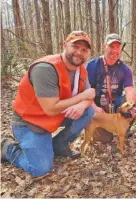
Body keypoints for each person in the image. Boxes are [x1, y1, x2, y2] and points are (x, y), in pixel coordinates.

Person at [1, 31, 96, 177]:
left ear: (88, 53)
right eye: (75, 46)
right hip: (29, 122)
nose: (79, 52)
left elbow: (91, 95)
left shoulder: (80, 69)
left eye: (84, 50)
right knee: (41, 169)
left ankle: (58, 145)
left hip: (53, 117)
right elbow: (51, 109)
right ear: (64, 45)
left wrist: (82, 105)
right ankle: (7, 147)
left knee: (88, 111)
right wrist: (83, 97)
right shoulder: (46, 68)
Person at [86, 33, 136, 143]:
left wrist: (131, 107)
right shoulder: (92, 65)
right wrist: (95, 108)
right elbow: (84, 92)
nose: (114, 50)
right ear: (105, 46)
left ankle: (123, 127)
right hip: (98, 107)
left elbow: (129, 89)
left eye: (117, 47)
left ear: (121, 49)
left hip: (116, 105)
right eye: (111, 46)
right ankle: (100, 129)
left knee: (135, 103)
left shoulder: (125, 69)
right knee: (105, 139)